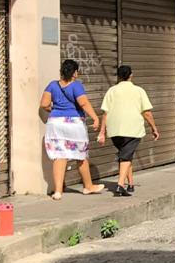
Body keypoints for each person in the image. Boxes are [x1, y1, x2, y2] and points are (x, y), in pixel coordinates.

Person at [40, 59, 104, 200]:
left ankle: (58, 191)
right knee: (81, 155)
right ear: (75, 72)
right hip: (73, 123)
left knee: (59, 155)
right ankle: (88, 186)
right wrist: (95, 118)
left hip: (55, 123)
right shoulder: (76, 85)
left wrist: (56, 110)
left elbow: (44, 104)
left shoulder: (52, 85)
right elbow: (83, 103)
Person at [97, 65, 158, 198]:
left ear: (118, 76)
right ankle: (120, 185)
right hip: (132, 128)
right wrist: (154, 128)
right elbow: (147, 113)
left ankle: (130, 183)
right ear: (131, 75)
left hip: (114, 129)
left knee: (125, 154)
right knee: (126, 156)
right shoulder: (139, 91)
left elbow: (105, 113)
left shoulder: (112, 91)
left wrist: (102, 132)